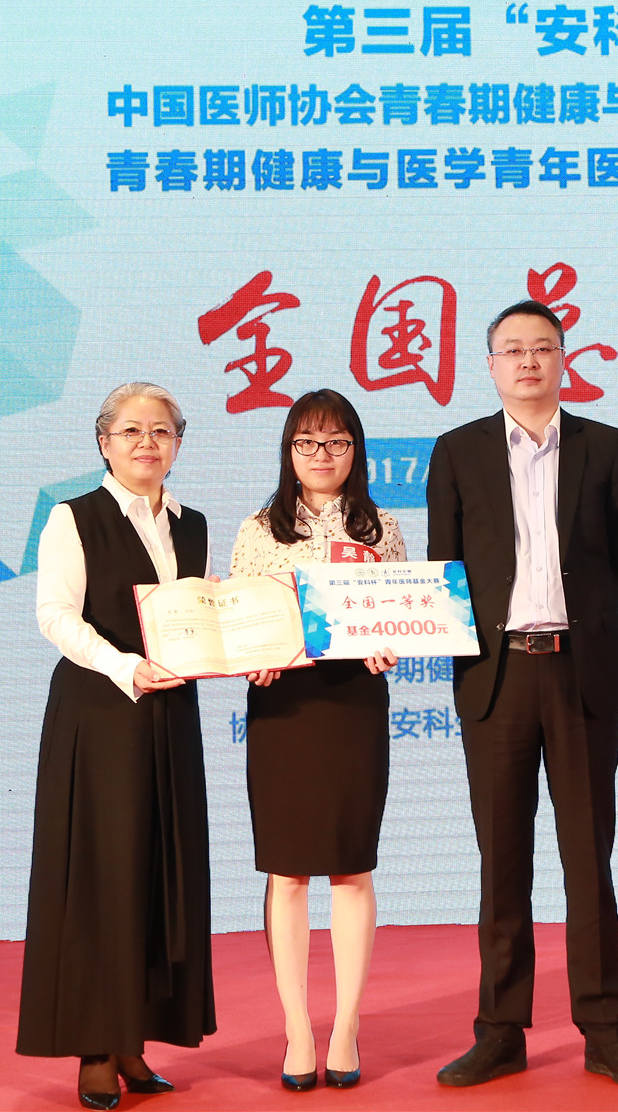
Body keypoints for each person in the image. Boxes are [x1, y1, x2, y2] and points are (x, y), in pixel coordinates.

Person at [426, 300, 618, 1090]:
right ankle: (499, 1030)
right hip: (495, 677)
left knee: (588, 856)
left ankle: (605, 1029)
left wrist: (582, 620)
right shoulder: (456, 451)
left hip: (579, 670)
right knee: (502, 859)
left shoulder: (609, 448)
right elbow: (446, 565)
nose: (528, 361)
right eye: (512, 349)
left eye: (542, 348)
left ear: (563, 358)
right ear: (490, 364)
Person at [18, 382, 214, 1109]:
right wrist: (125, 666)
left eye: (161, 430)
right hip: (100, 716)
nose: (146, 443)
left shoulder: (192, 524)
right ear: (103, 441)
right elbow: (55, 615)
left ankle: (135, 1036)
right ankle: (96, 1047)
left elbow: (193, 617)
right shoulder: (73, 517)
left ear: (178, 443)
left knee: (159, 871)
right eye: (131, 430)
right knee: (101, 877)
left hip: (172, 717)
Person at [230, 389, 402, 1091]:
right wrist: (251, 653)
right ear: (289, 451)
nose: (322, 455)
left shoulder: (381, 527)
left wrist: (388, 644)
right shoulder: (257, 529)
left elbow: (399, 613)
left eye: (336, 442)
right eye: (307, 442)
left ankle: (346, 1026)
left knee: (352, 867)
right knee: (288, 871)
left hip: (353, 704)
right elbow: (239, 619)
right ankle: (298, 1029)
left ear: (356, 450)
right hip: (284, 706)